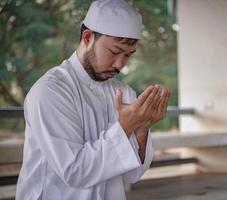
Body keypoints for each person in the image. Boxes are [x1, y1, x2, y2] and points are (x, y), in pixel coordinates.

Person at [16, 0, 171, 199]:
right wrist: (125, 127)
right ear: (88, 37)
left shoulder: (124, 92)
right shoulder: (51, 90)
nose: (120, 64)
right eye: (114, 52)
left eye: (128, 56)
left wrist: (141, 126)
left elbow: (133, 174)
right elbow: (75, 172)